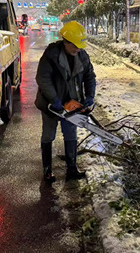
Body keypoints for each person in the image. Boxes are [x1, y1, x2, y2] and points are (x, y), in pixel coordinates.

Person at [35, 21, 96, 182]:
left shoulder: (82, 56)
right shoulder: (52, 55)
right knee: (48, 135)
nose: (77, 49)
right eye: (75, 46)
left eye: (79, 46)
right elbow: (43, 78)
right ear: (66, 42)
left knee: (71, 134)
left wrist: (90, 95)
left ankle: (72, 169)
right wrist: (54, 99)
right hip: (51, 105)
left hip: (71, 104)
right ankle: (47, 170)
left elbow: (90, 76)